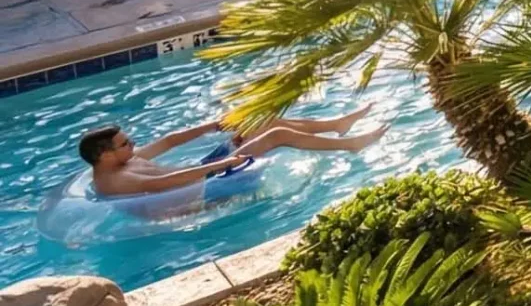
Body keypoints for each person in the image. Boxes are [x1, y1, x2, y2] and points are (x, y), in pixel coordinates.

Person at [82, 107, 382, 199]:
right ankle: (351, 144)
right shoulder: (116, 181)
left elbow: (169, 142)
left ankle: (336, 125)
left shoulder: (124, 161)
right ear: (105, 155)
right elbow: (164, 184)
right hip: (204, 186)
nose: (133, 144)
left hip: (204, 171)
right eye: (126, 143)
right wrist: (223, 163)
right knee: (276, 135)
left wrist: (214, 125)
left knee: (262, 122)